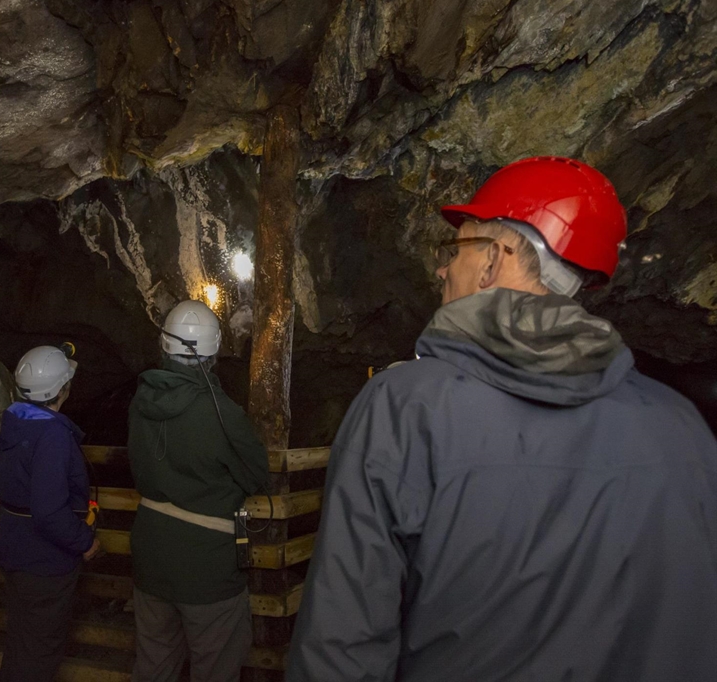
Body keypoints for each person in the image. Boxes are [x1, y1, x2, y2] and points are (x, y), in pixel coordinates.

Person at [286, 156, 717, 681]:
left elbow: (342, 651)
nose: (443, 268)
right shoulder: (684, 430)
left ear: (493, 260)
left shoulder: (404, 410)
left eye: (457, 248)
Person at [127, 300, 270, 682]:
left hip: (151, 559)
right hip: (207, 569)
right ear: (213, 351)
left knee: (154, 664)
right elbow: (257, 475)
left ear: (164, 345)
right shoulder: (221, 413)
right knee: (215, 667)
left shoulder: (139, 402)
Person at [0, 345, 100, 682]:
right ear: (61, 390)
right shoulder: (53, 434)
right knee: (39, 652)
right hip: (44, 561)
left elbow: (1, 485)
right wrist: (86, 541)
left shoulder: (14, 421)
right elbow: (49, 512)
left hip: (14, 549)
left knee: (22, 642)